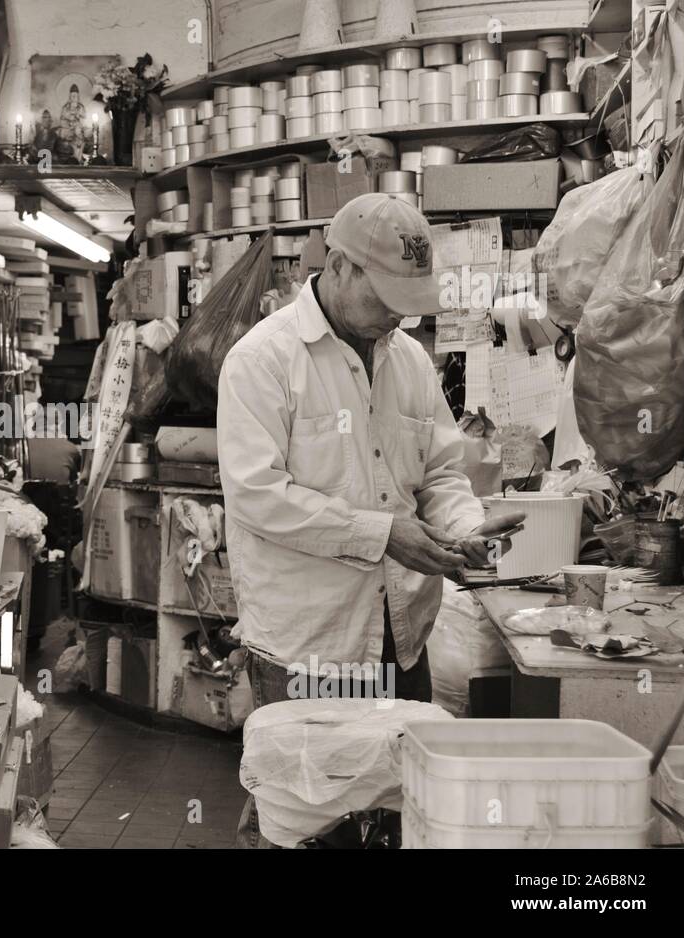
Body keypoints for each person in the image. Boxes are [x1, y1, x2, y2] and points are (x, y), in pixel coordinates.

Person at [217, 193, 524, 708]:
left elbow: (441, 473)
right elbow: (257, 496)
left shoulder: (411, 362)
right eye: (385, 298)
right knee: (304, 789)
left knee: (400, 783)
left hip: (401, 639)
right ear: (339, 267)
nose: (398, 317)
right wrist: (381, 535)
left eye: (408, 302)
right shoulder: (261, 360)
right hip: (307, 650)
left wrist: (465, 529)